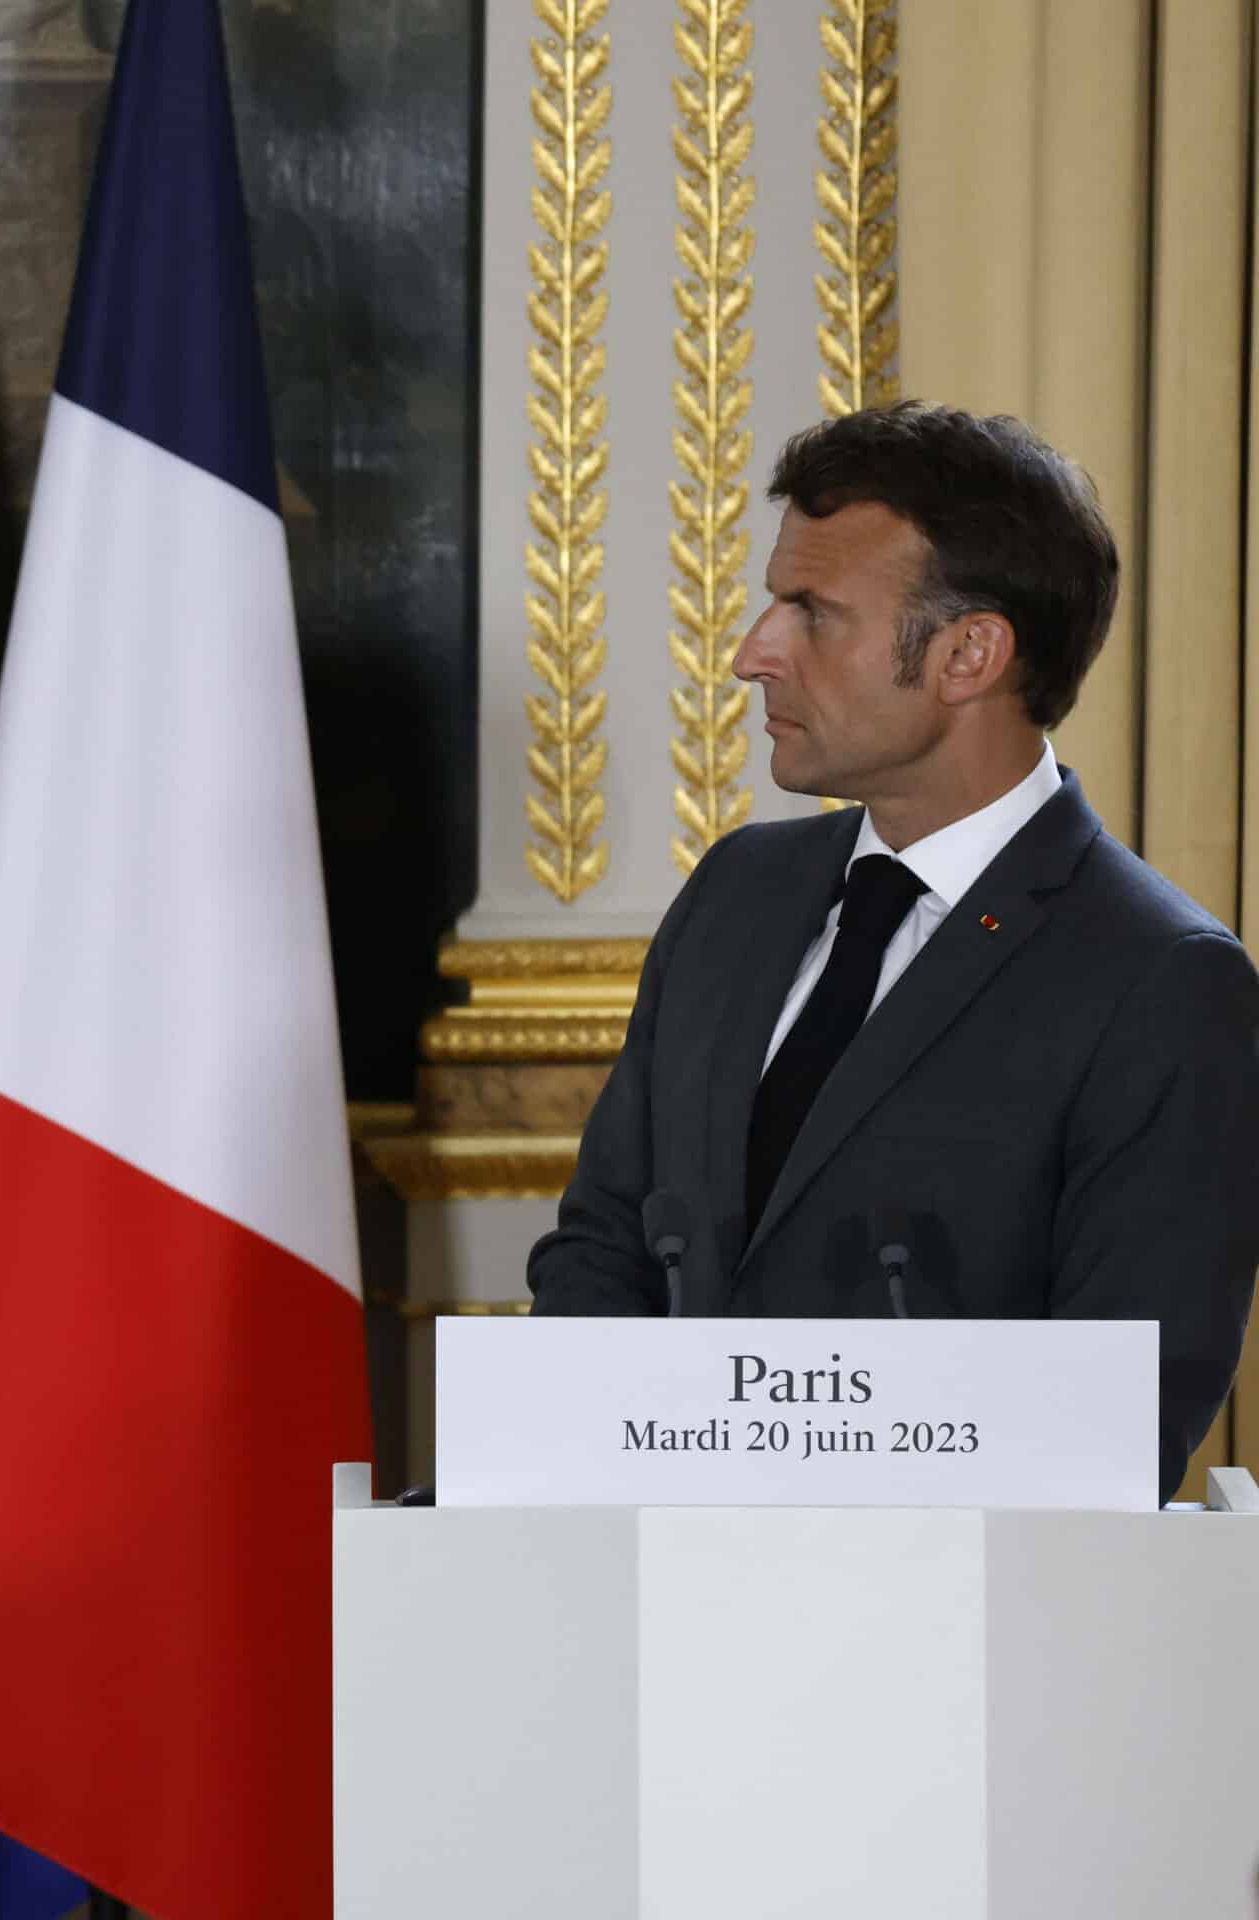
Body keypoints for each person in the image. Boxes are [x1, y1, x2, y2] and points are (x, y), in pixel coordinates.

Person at [530, 402, 1259, 1501]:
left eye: (811, 613)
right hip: (647, 1602)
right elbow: (604, 1242)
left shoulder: (1162, 980)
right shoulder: (736, 892)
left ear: (970, 653)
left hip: (952, 1642)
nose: (750, 655)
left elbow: (1120, 1416)